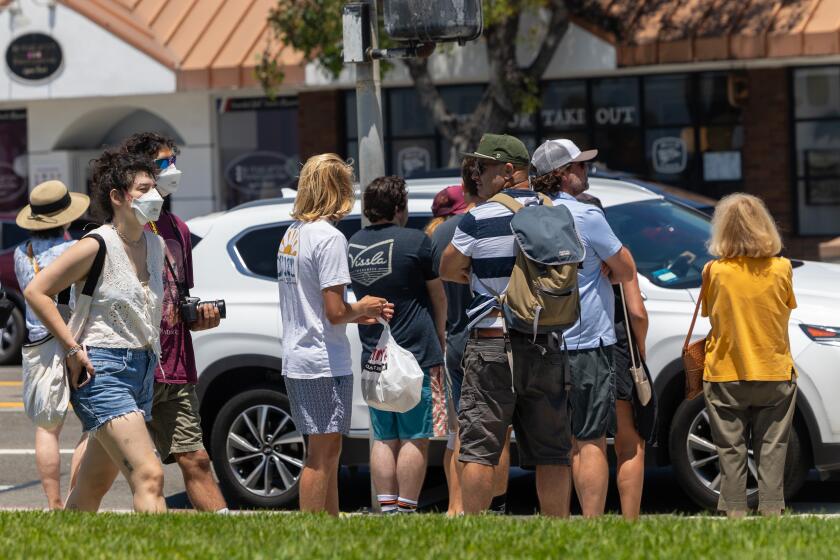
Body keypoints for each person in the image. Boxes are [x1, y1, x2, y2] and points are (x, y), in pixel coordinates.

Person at [24, 150, 167, 513]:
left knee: (91, 486)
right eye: (143, 188)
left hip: (143, 369)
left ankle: (62, 547)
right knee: (149, 476)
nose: (155, 196)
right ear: (118, 197)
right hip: (102, 369)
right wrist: (72, 347)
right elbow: (36, 291)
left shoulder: (155, 242)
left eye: (155, 187)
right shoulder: (96, 244)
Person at [439, 133, 572, 517]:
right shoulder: (559, 212)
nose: (476, 175)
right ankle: (558, 534)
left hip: (493, 344)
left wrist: (481, 277)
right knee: (553, 452)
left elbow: (448, 267)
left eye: (484, 168)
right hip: (547, 343)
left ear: (508, 171)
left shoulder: (478, 217)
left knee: (480, 447)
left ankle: (476, 533)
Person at [277, 153, 393, 516]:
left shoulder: (292, 234)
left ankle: (329, 530)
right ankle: (313, 534)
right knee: (322, 456)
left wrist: (355, 315)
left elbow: (316, 304)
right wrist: (366, 307)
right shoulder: (329, 237)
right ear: (337, 189)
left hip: (300, 355)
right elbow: (334, 311)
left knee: (325, 452)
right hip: (322, 359)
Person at [117, 132, 228, 512]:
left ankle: (230, 540)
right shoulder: (119, 229)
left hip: (176, 367)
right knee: (107, 460)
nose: (173, 170)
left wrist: (198, 320)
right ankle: (67, 518)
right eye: (163, 163)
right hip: (130, 366)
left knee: (195, 459)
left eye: (173, 160)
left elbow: (176, 298)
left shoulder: (177, 227)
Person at [529, 138, 636, 517]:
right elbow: (626, 270)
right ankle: (591, 531)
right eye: (579, 166)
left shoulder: (523, 215)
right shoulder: (587, 216)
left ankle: (555, 528)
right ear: (562, 174)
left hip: (538, 344)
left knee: (550, 447)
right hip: (588, 342)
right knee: (589, 440)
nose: (586, 171)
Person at [348, 176, 447, 514]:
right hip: (416, 355)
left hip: (373, 357)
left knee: (384, 436)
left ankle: (388, 509)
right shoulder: (417, 241)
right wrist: (441, 336)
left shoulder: (353, 244)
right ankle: (405, 510)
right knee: (415, 436)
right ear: (399, 207)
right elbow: (438, 297)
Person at [701, 193, 797, 518]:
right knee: (773, 449)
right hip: (774, 371)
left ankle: (735, 516)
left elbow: (710, 315)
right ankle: (771, 513)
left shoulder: (714, 271)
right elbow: (784, 309)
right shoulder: (782, 268)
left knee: (730, 451)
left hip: (725, 372)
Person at [429, 160, 510, 516]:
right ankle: (494, 506)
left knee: (460, 430)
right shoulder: (492, 223)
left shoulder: (439, 235)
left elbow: (438, 296)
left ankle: (455, 507)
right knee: (496, 429)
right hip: (487, 331)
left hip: (454, 336)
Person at [576, 192, 655, 520]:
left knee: (581, 441)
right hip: (618, 349)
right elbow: (636, 312)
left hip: (578, 349)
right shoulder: (618, 257)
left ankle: (589, 519)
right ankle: (629, 521)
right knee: (629, 442)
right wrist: (640, 348)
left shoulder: (563, 255)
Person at [14, 180, 90, 509]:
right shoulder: (76, 250)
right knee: (93, 425)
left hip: (38, 344)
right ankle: (78, 499)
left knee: (48, 428)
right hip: (78, 340)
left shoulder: (21, 253)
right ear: (67, 218)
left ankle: (54, 505)